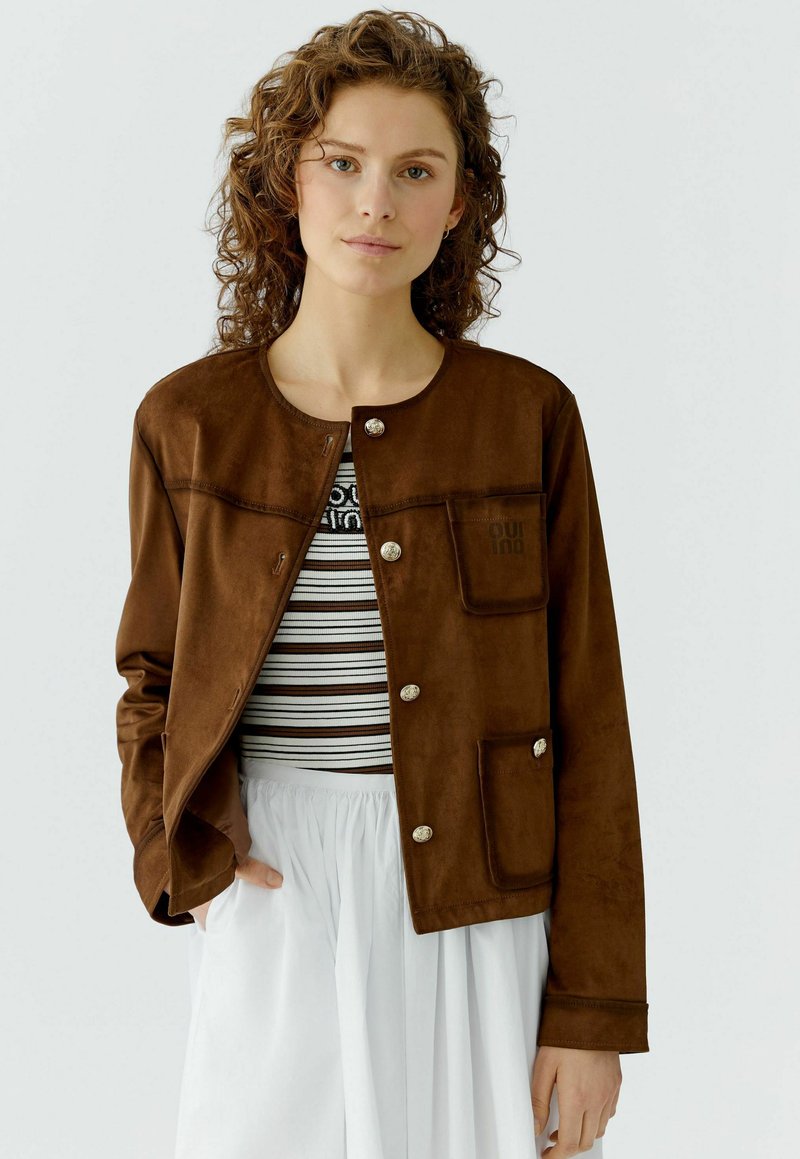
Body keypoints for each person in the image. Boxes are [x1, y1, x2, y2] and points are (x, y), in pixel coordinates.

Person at [114, 10, 649, 1159]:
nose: (375, 203)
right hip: (275, 883)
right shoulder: (189, 421)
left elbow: (588, 717)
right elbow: (150, 674)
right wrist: (178, 854)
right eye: (343, 163)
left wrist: (590, 1014)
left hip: (480, 893)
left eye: (415, 171)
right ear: (287, 179)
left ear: (456, 204)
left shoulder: (525, 417)